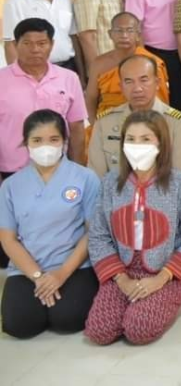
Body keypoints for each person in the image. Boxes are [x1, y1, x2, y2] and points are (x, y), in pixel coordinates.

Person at [84, 110, 181, 345]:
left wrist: (162, 278)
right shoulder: (110, 183)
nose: (137, 146)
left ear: (160, 143)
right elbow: (98, 236)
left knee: (138, 330)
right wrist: (122, 280)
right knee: (99, 331)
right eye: (131, 139)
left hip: (165, 272)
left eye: (146, 139)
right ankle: (128, 299)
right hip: (123, 270)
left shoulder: (179, 184)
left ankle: (163, 297)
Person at [0, 110, 101, 338]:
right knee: (20, 326)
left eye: (53, 139)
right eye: (37, 140)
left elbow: (92, 232)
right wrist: (38, 277)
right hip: (27, 269)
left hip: (73, 266)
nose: (46, 146)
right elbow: (7, 238)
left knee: (69, 320)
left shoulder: (85, 178)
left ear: (64, 141)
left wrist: (61, 274)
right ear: (26, 143)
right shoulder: (11, 186)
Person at [88, 55, 181, 179]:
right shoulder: (105, 122)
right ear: (121, 87)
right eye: (129, 81)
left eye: (144, 80)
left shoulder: (177, 123)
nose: (137, 89)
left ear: (157, 83)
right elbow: (96, 176)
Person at [0, 19, 86, 173]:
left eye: (41, 43)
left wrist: (78, 170)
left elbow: (76, 127)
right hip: (11, 170)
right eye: (27, 43)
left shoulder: (69, 78)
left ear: (51, 45)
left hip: (58, 169)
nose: (35, 49)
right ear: (15, 45)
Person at [84, 12, 169, 120]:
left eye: (129, 31)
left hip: (144, 120)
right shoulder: (99, 63)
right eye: (119, 30)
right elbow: (91, 99)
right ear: (110, 34)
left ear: (138, 35)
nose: (124, 36)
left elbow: (160, 102)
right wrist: (94, 126)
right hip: (107, 121)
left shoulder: (152, 63)